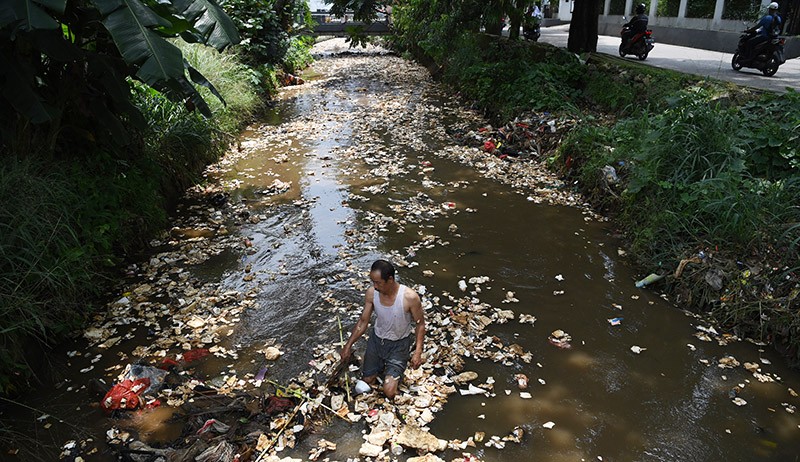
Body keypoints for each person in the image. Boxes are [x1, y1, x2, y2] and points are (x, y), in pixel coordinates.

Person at [340, 259, 425, 400]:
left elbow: (420, 324)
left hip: (399, 345)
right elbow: (363, 321)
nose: (375, 286)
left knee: (389, 392)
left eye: (378, 282)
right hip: (377, 341)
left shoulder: (409, 297)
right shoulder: (372, 294)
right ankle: (380, 368)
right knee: (366, 382)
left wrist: (418, 352)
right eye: (373, 282)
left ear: (390, 279)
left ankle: (396, 369)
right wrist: (348, 346)